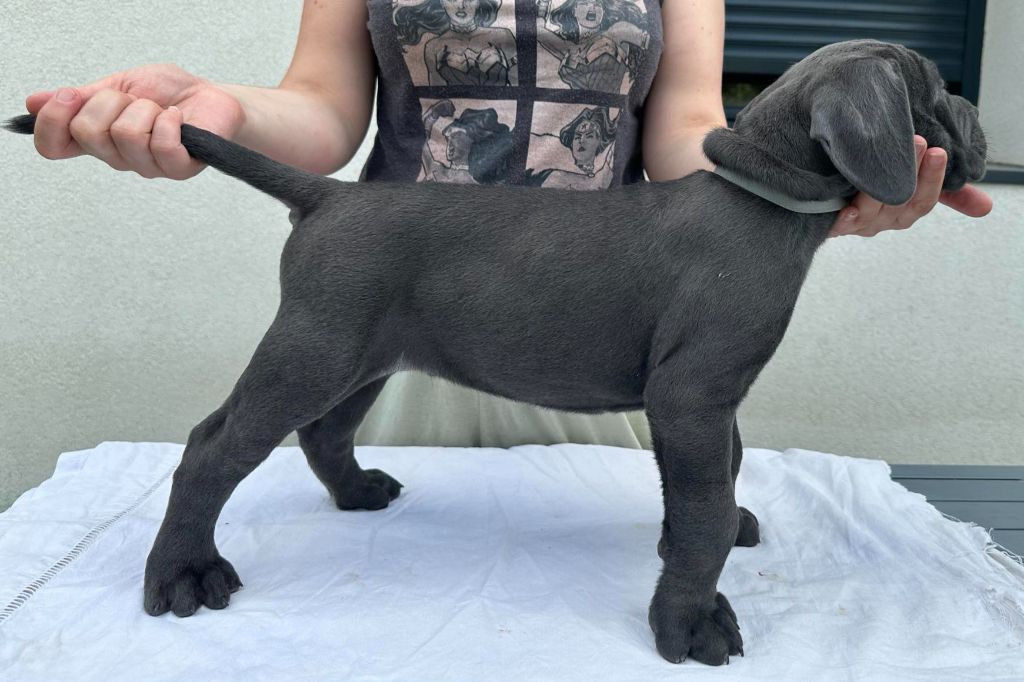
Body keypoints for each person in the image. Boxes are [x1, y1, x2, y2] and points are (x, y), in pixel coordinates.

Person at [22, 0, 993, 450]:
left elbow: (684, 139)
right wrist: (222, 110)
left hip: (591, 312)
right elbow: (321, 108)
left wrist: (801, 198)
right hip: (414, 293)